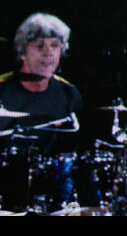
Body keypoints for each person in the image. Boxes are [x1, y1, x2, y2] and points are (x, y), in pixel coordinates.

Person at [0, 12, 82, 212]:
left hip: (51, 196)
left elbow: (73, 156)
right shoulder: (3, 89)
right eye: (39, 46)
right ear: (21, 51)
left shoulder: (69, 93)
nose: (49, 54)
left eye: (55, 46)